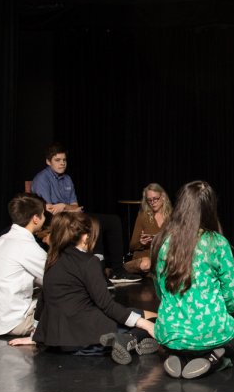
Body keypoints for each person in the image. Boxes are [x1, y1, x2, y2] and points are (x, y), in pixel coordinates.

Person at [152, 181, 234, 379]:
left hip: (169, 332)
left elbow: (159, 292)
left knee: (181, 339)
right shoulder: (217, 243)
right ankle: (216, 360)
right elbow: (232, 299)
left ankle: (179, 355)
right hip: (211, 331)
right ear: (209, 208)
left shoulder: (161, 241)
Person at [34, 211, 155, 360]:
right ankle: (129, 338)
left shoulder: (53, 259)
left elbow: (43, 301)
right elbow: (106, 305)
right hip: (85, 340)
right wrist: (145, 324)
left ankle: (129, 338)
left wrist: (37, 335)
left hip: (55, 342)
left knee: (135, 313)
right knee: (153, 324)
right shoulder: (88, 262)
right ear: (85, 237)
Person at [30, 143, 138, 283]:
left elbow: (75, 205)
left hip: (73, 216)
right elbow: (49, 209)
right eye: (57, 160)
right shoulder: (42, 179)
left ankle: (117, 271)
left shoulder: (67, 179)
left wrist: (63, 206)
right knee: (93, 223)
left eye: (64, 160)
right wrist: (67, 208)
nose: (62, 163)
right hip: (55, 220)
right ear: (48, 161)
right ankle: (99, 273)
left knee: (113, 220)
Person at [0, 193, 47, 338]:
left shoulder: (1, 240)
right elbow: (53, 279)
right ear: (35, 218)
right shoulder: (26, 245)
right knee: (66, 295)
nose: (45, 218)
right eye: (43, 215)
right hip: (13, 324)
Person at [124, 182, 171, 275]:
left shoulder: (172, 216)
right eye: (149, 200)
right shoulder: (143, 216)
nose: (152, 203)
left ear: (163, 197)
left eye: (155, 199)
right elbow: (132, 246)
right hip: (146, 258)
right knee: (147, 263)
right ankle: (120, 269)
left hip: (164, 257)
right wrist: (141, 243)